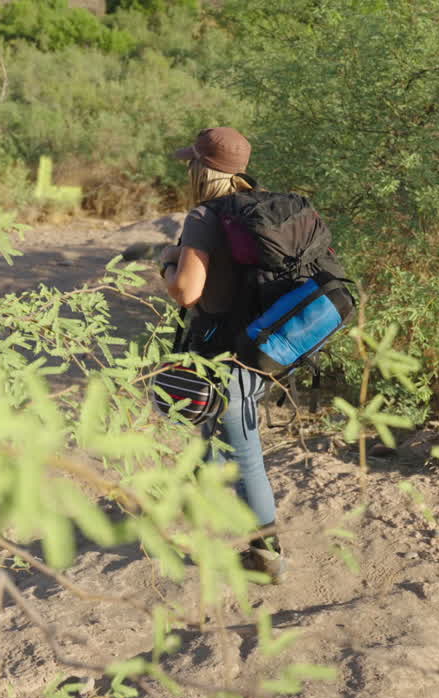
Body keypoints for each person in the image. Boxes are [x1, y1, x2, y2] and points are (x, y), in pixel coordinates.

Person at [158, 127, 285, 582]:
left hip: (217, 357)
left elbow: (187, 291)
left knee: (238, 452)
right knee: (212, 443)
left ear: (201, 169)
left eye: (191, 163)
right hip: (258, 348)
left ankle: (267, 557)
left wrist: (168, 265)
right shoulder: (257, 208)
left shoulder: (204, 216)